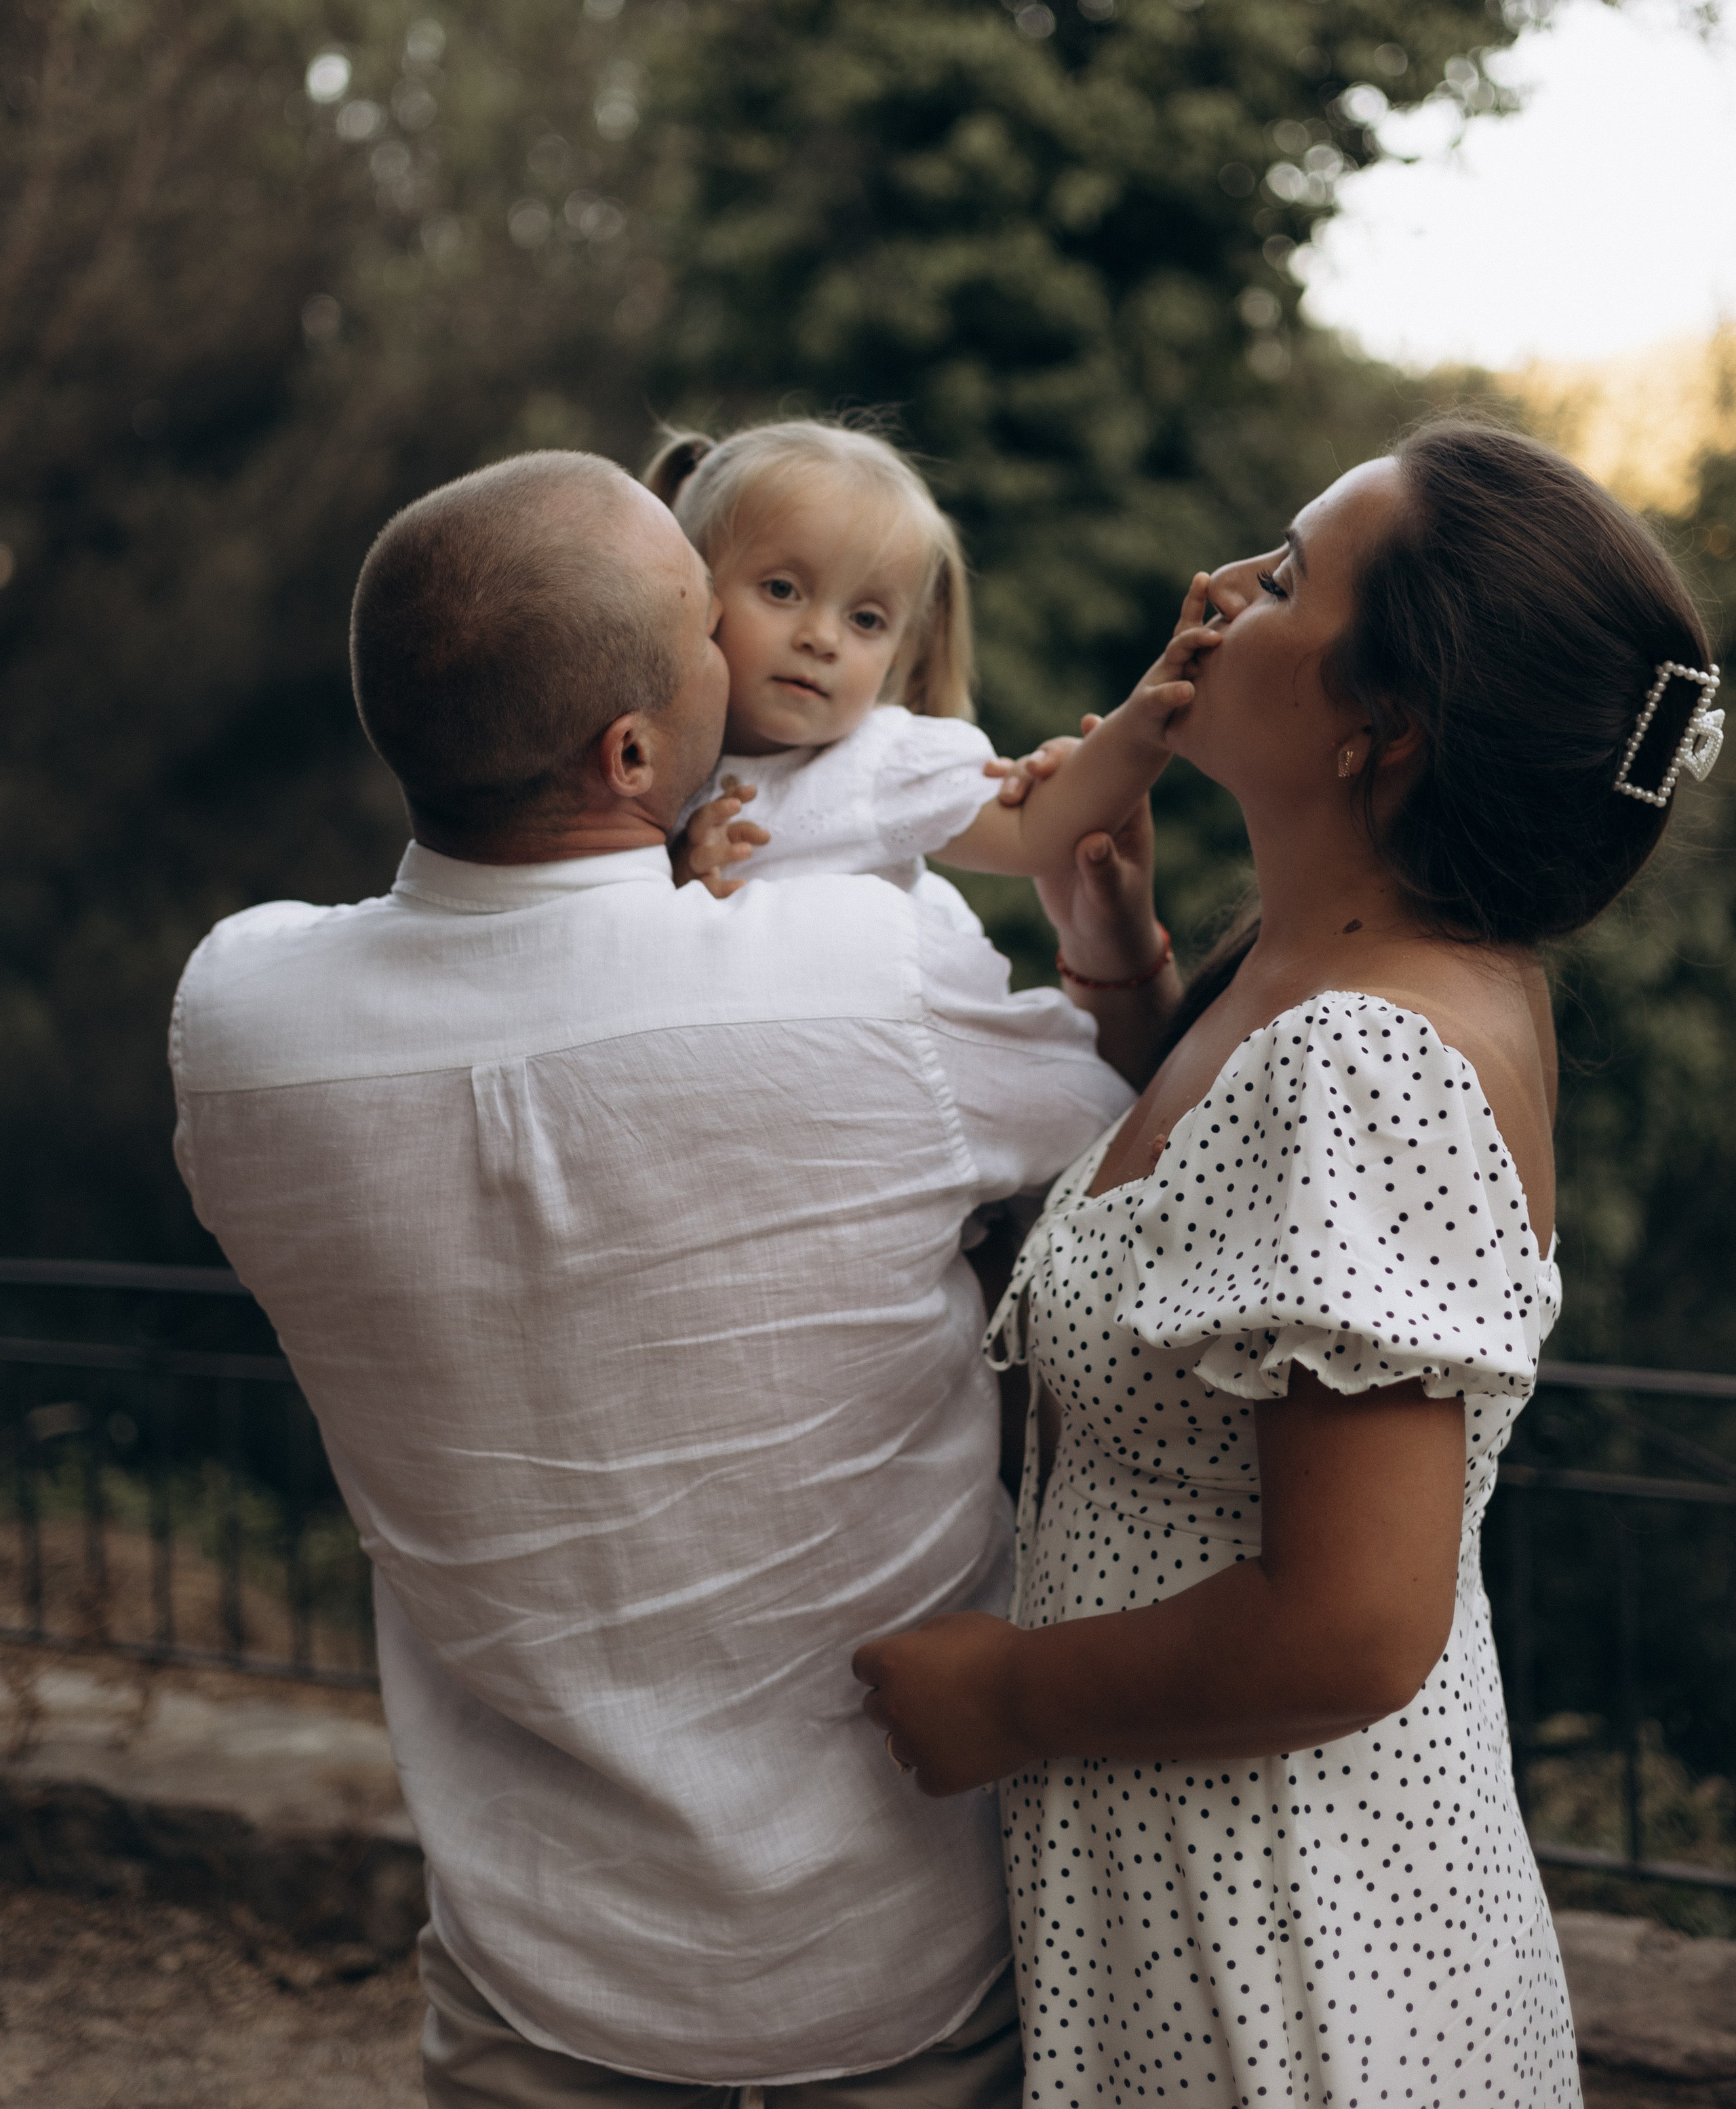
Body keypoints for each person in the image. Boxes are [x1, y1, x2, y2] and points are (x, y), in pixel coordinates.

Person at [168, 448, 1172, 2108]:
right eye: (712, 626)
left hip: (532, 1968)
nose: (756, 656)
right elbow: (1138, 1141)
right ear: (634, 749)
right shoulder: (866, 965)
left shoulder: (239, 1021)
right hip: (894, 1950)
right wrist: (1112, 939)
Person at [852, 420, 1721, 2109]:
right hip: (1197, 1885)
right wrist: (1125, 995)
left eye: (1282, 575)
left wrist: (1007, 1689)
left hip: (1288, 1959)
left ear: (1375, 735)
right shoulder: (1304, 971)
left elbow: (1348, 1624)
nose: (1209, 593)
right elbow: (1210, 1264)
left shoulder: (1364, 1058)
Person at [645, 421, 1208, 951]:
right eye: (783, 590)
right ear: (690, 588)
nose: (821, 638)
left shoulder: (883, 761)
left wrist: (1141, 726)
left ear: (900, 655)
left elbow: (1036, 830)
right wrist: (683, 871)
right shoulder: (639, 759)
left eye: (866, 620)